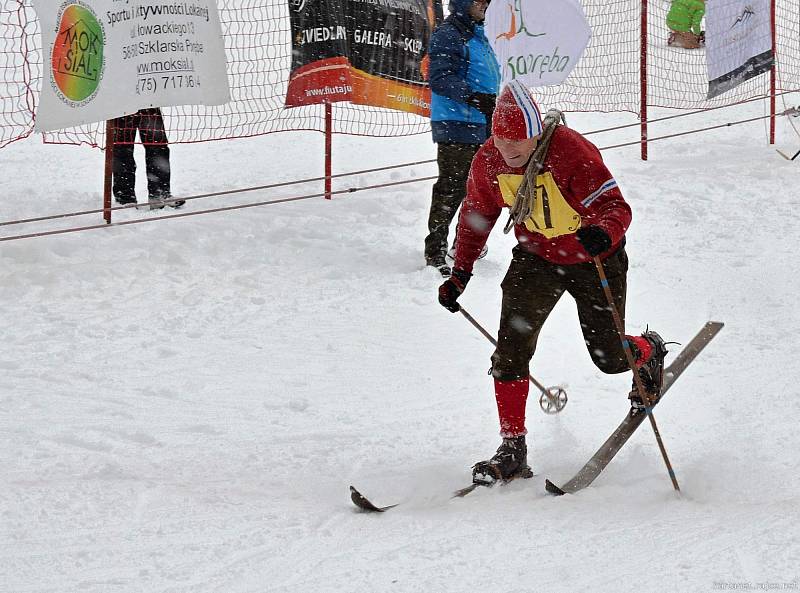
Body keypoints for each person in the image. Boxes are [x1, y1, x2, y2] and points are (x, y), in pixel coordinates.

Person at [437, 81, 669, 485]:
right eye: (501, 138)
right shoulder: (489, 160)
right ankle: (512, 448)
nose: (509, 149)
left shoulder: (570, 152)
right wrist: (460, 273)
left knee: (610, 359)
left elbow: (616, 207)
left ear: (537, 132)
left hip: (592, 257)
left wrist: (603, 231)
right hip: (537, 258)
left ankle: (649, 350)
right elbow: (476, 217)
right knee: (510, 350)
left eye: (519, 140)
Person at [425, 0, 500, 277]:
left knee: (480, 189)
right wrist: (472, 96)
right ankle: (435, 250)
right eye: (479, 0)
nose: (485, 5)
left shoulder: (480, 34)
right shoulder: (449, 34)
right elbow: (439, 77)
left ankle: (465, 245)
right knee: (452, 187)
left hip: (481, 123)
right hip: (457, 122)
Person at [112, 108, 184, 209]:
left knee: (158, 147)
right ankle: (125, 199)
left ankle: (160, 194)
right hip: (122, 103)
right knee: (122, 150)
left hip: (148, 100)